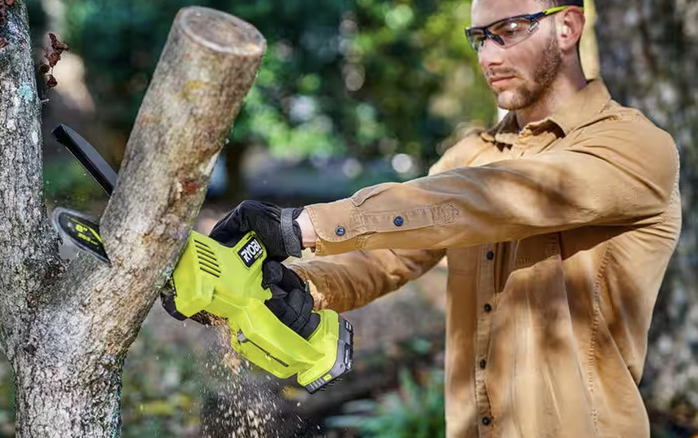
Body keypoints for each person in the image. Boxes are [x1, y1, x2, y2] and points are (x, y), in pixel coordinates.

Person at [210, 0, 681, 435]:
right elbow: (393, 253)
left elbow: (498, 197)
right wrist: (303, 286)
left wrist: (299, 227)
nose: (488, 58)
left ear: (568, 27)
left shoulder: (636, 148)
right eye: (479, 38)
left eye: (509, 31)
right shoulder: (471, 153)